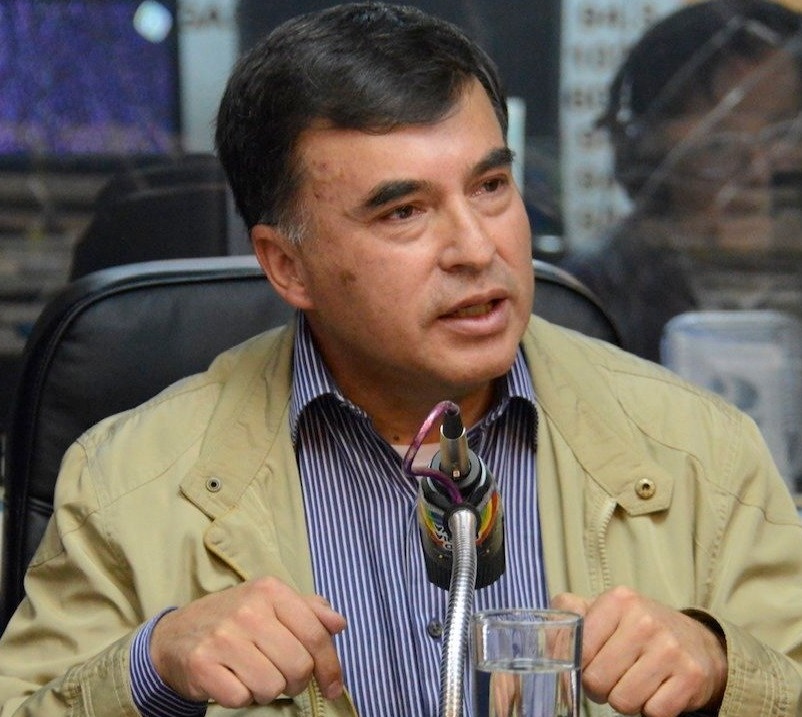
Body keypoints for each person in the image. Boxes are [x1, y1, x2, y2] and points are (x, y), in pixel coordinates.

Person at [0, 2, 800, 716]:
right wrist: (152, 667)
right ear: (287, 265)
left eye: (491, 187)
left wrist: (724, 668)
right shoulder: (125, 480)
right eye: (405, 211)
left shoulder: (701, 451)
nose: (477, 248)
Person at [561, 0, 802, 362]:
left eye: (785, 139)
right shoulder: (589, 304)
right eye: (719, 146)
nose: (759, 171)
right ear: (645, 161)